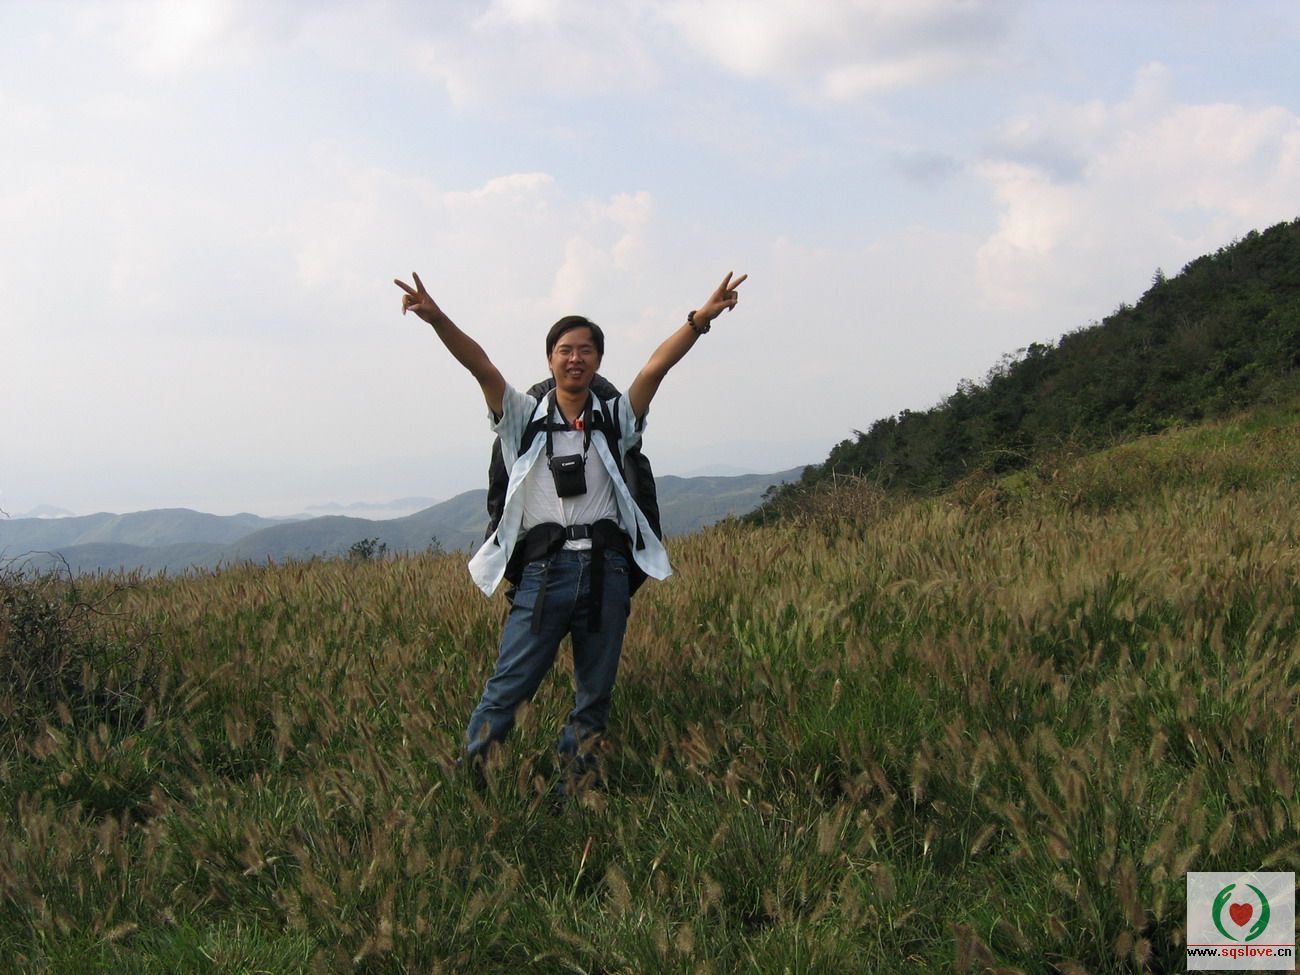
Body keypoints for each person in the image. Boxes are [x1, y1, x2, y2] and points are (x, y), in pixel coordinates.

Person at [394, 269, 747, 790]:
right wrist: (436, 318)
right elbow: (480, 366)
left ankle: (575, 790)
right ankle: (474, 784)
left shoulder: (616, 417)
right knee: (508, 687)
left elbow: (656, 368)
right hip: (544, 573)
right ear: (550, 359)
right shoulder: (522, 417)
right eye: (565, 350)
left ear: (598, 360)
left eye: (585, 350)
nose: (575, 358)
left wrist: (699, 320)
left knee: (594, 695)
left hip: (606, 572)